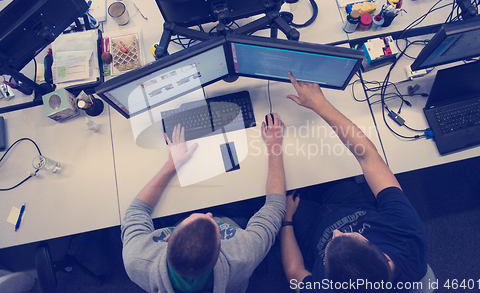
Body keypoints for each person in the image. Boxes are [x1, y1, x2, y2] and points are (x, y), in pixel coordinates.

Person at [280, 72, 427, 292]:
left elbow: (294, 271)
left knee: (273, 193)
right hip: (351, 205)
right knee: (316, 158)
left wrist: (286, 221)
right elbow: (368, 156)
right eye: (348, 238)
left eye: (332, 244)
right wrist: (320, 105)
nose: (336, 233)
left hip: (310, 231)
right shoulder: (407, 236)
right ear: (384, 257)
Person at [121, 114, 287, 293]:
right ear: (217, 257)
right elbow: (275, 206)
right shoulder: (243, 255)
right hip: (234, 219)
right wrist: (274, 146)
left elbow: (137, 210)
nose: (209, 214)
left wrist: (172, 164)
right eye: (213, 223)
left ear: (168, 239)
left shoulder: (137, 259)